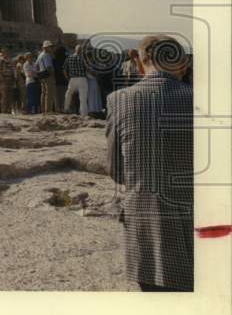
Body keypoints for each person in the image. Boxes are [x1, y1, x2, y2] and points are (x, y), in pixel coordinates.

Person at [106, 34, 193, 292]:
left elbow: (117, 171)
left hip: (147, 229)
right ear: (183, 64)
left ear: (140, 65)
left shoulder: (118, 100)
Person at [63, 42, 89, 116]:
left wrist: (67, 78)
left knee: (68, 94)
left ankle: (66, 108)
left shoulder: (69, 57)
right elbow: (87, 68)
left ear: (75, 50)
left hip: (72, 79)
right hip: (82, 78)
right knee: (83, 97)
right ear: (81, 51)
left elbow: (64, 69)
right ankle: (83, 113)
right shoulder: (83, 58)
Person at [0, 48, 15, 115]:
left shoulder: (9, 61)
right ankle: (2, 110)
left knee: (5, 95)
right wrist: (1, 79)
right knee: (2, 95)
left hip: (4, 80)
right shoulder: (0, 61)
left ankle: (4, 109)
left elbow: (12, 71)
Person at [35, 40, 57, 113]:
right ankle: (48, 110)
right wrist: (52, 75)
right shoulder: (47, 55)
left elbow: (36, 66)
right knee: (49, 93)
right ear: (46, 47)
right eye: (50, 47)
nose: (52, 48)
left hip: (42, 75)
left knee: (43, 93)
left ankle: (43, 110)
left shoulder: (40, 55)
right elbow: (48, 67)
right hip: (48, 75)